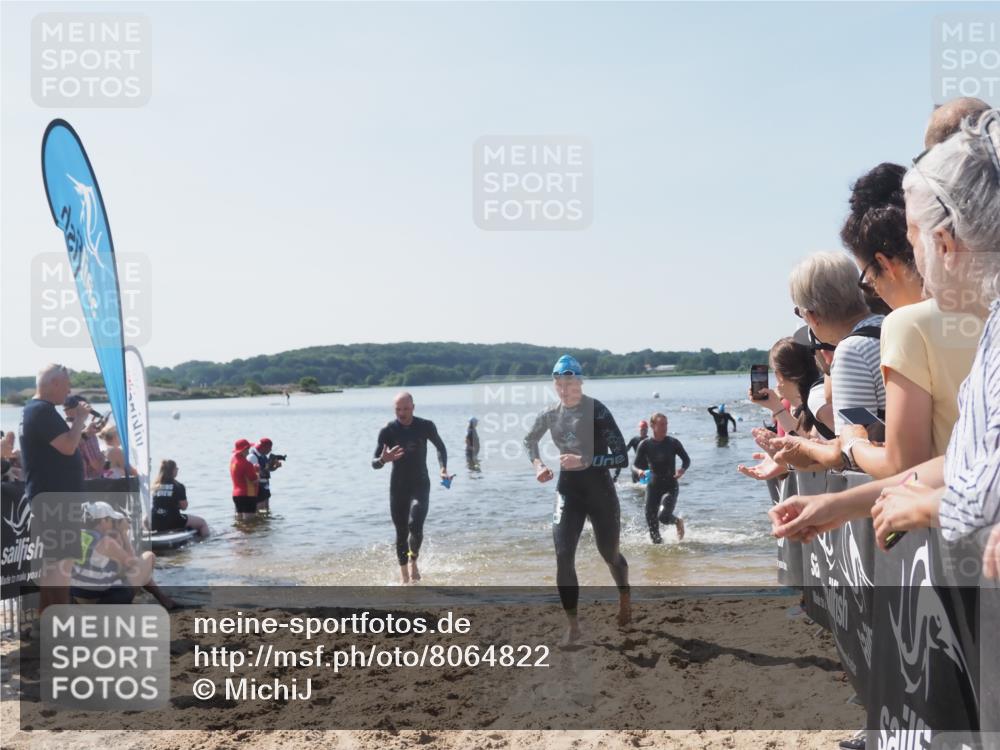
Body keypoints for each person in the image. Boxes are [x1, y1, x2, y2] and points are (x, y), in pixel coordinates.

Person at [770, 110, 1000, 575]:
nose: (911, 256)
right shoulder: (989, 328)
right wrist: (841, 507)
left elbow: (981, 497)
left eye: (912, 237)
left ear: (944, 242)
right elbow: (964, 465)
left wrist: (922, 508)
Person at [523, 355, 631, 645]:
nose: (565, 387)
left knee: (609, 553)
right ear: (554, 384)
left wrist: (585, 460)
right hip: (568, 492)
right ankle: (573, 626)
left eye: (570, 381)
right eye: (560, 382)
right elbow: (529, 440)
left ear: (580, 382)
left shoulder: (597, 411)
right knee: (563, 555)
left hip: (600, 493)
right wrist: (538, 465)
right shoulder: (550, 414)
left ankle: (624, 595)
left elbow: (621, 455)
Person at [789, 251, 886, 436]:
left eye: (800, 313)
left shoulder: (852, 352)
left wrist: (810, 451)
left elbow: (860, 444)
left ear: (812, 315)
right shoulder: (889, 325)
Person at [19, 364, 87, 612]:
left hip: (51, 499)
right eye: (67, 385)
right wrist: (79, 420)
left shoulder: (35, 410)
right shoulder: (41, 411)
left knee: (53, 567)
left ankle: (47, 625)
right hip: (57, 501)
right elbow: (68, 447)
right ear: (55, 383)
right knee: (60, 567)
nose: (69, 391)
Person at [372, 392, 449, 584]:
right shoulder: (388, 431)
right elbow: (374, 463)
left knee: (415, 525)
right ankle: (404, 576)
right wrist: (383, 459)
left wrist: (443, 469)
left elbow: (440, 447)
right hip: (398, 487)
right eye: (398, 409)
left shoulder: (425, 426)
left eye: (406, 409)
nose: (402, 413)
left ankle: (414, 562)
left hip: (420, 484)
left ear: (413, 407)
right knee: (401, 533)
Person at [70, 501, 154, 605]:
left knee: (116, 569)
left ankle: (163, 598)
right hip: (100, 601)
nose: (112, 524)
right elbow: (133, 564)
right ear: (103, 520)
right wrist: (124, 533)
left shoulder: (78, 535)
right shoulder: (106, 542)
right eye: (111, 520)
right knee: (149, 557)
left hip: (79, 596)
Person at [633, 412, 690, 543]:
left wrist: (682, 469)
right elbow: (634, 465)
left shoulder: (673, 443)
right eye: (662, 424)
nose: (665, 427)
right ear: (653, 426)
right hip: (653, 487)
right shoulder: (645, 444)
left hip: (670, 486)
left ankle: (677, 521)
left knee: (663, 517)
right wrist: (639, 471)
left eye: (666, 424)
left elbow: (686, 460)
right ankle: (659, 562)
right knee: (653, 532)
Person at [151, 459, 209, 537]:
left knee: (146, 518)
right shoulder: (178, 486)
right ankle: (206, 542)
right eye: (176, 468)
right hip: (173, 521)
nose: (178, 470)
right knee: (202, 523)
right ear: (173, 471)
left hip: (155, 521)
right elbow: (184, 507)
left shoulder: (155, 486)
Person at [64, 400, 105, 480]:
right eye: (85, 407)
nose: (88, 410)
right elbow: (97, 465)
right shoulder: (87, 432)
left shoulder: (63, 429)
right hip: (90, 484)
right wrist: (103, 456)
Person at [248, 438, 282, 512]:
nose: (270, 450)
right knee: (260, 509)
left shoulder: (263, 456)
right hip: (258, 487)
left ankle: (264, 522)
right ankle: (258, 522)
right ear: (263, 447)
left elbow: (267, 470)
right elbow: (253, 474)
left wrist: (275, 467)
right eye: (269, 448)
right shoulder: (252, 457)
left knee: (266, 509)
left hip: (265, 485)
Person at [230, 438, 259, 520]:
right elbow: (255, 481)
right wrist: (257, 472)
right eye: (248, 449)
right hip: (248, 495)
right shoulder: (247, 464)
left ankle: (237, 533)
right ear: (244, 449)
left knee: (239, 520)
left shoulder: (233, 461)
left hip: (236, 495)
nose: (249, 451)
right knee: (249, 523)